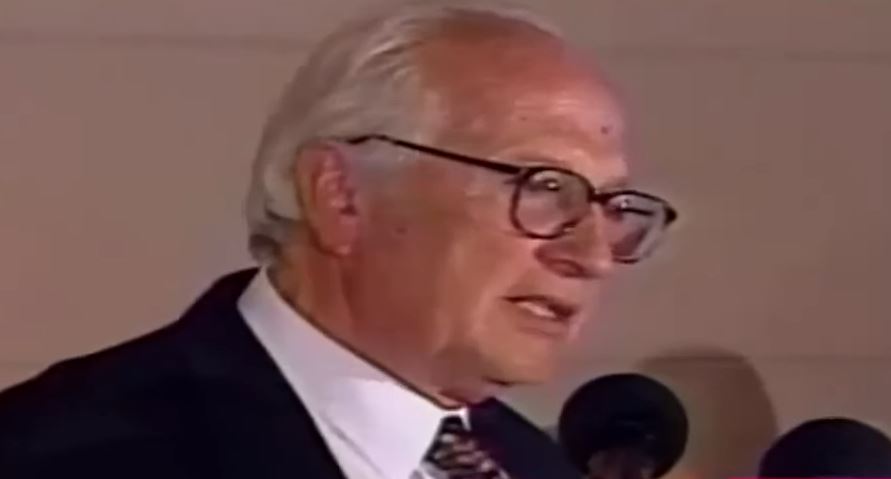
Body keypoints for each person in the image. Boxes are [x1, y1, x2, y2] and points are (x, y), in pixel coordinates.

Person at [0, 1, 677, 478]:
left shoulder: (534, 466)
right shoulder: (63, 454)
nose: (593, 256)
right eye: (544, 186)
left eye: (612, 206)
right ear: (341, 194)